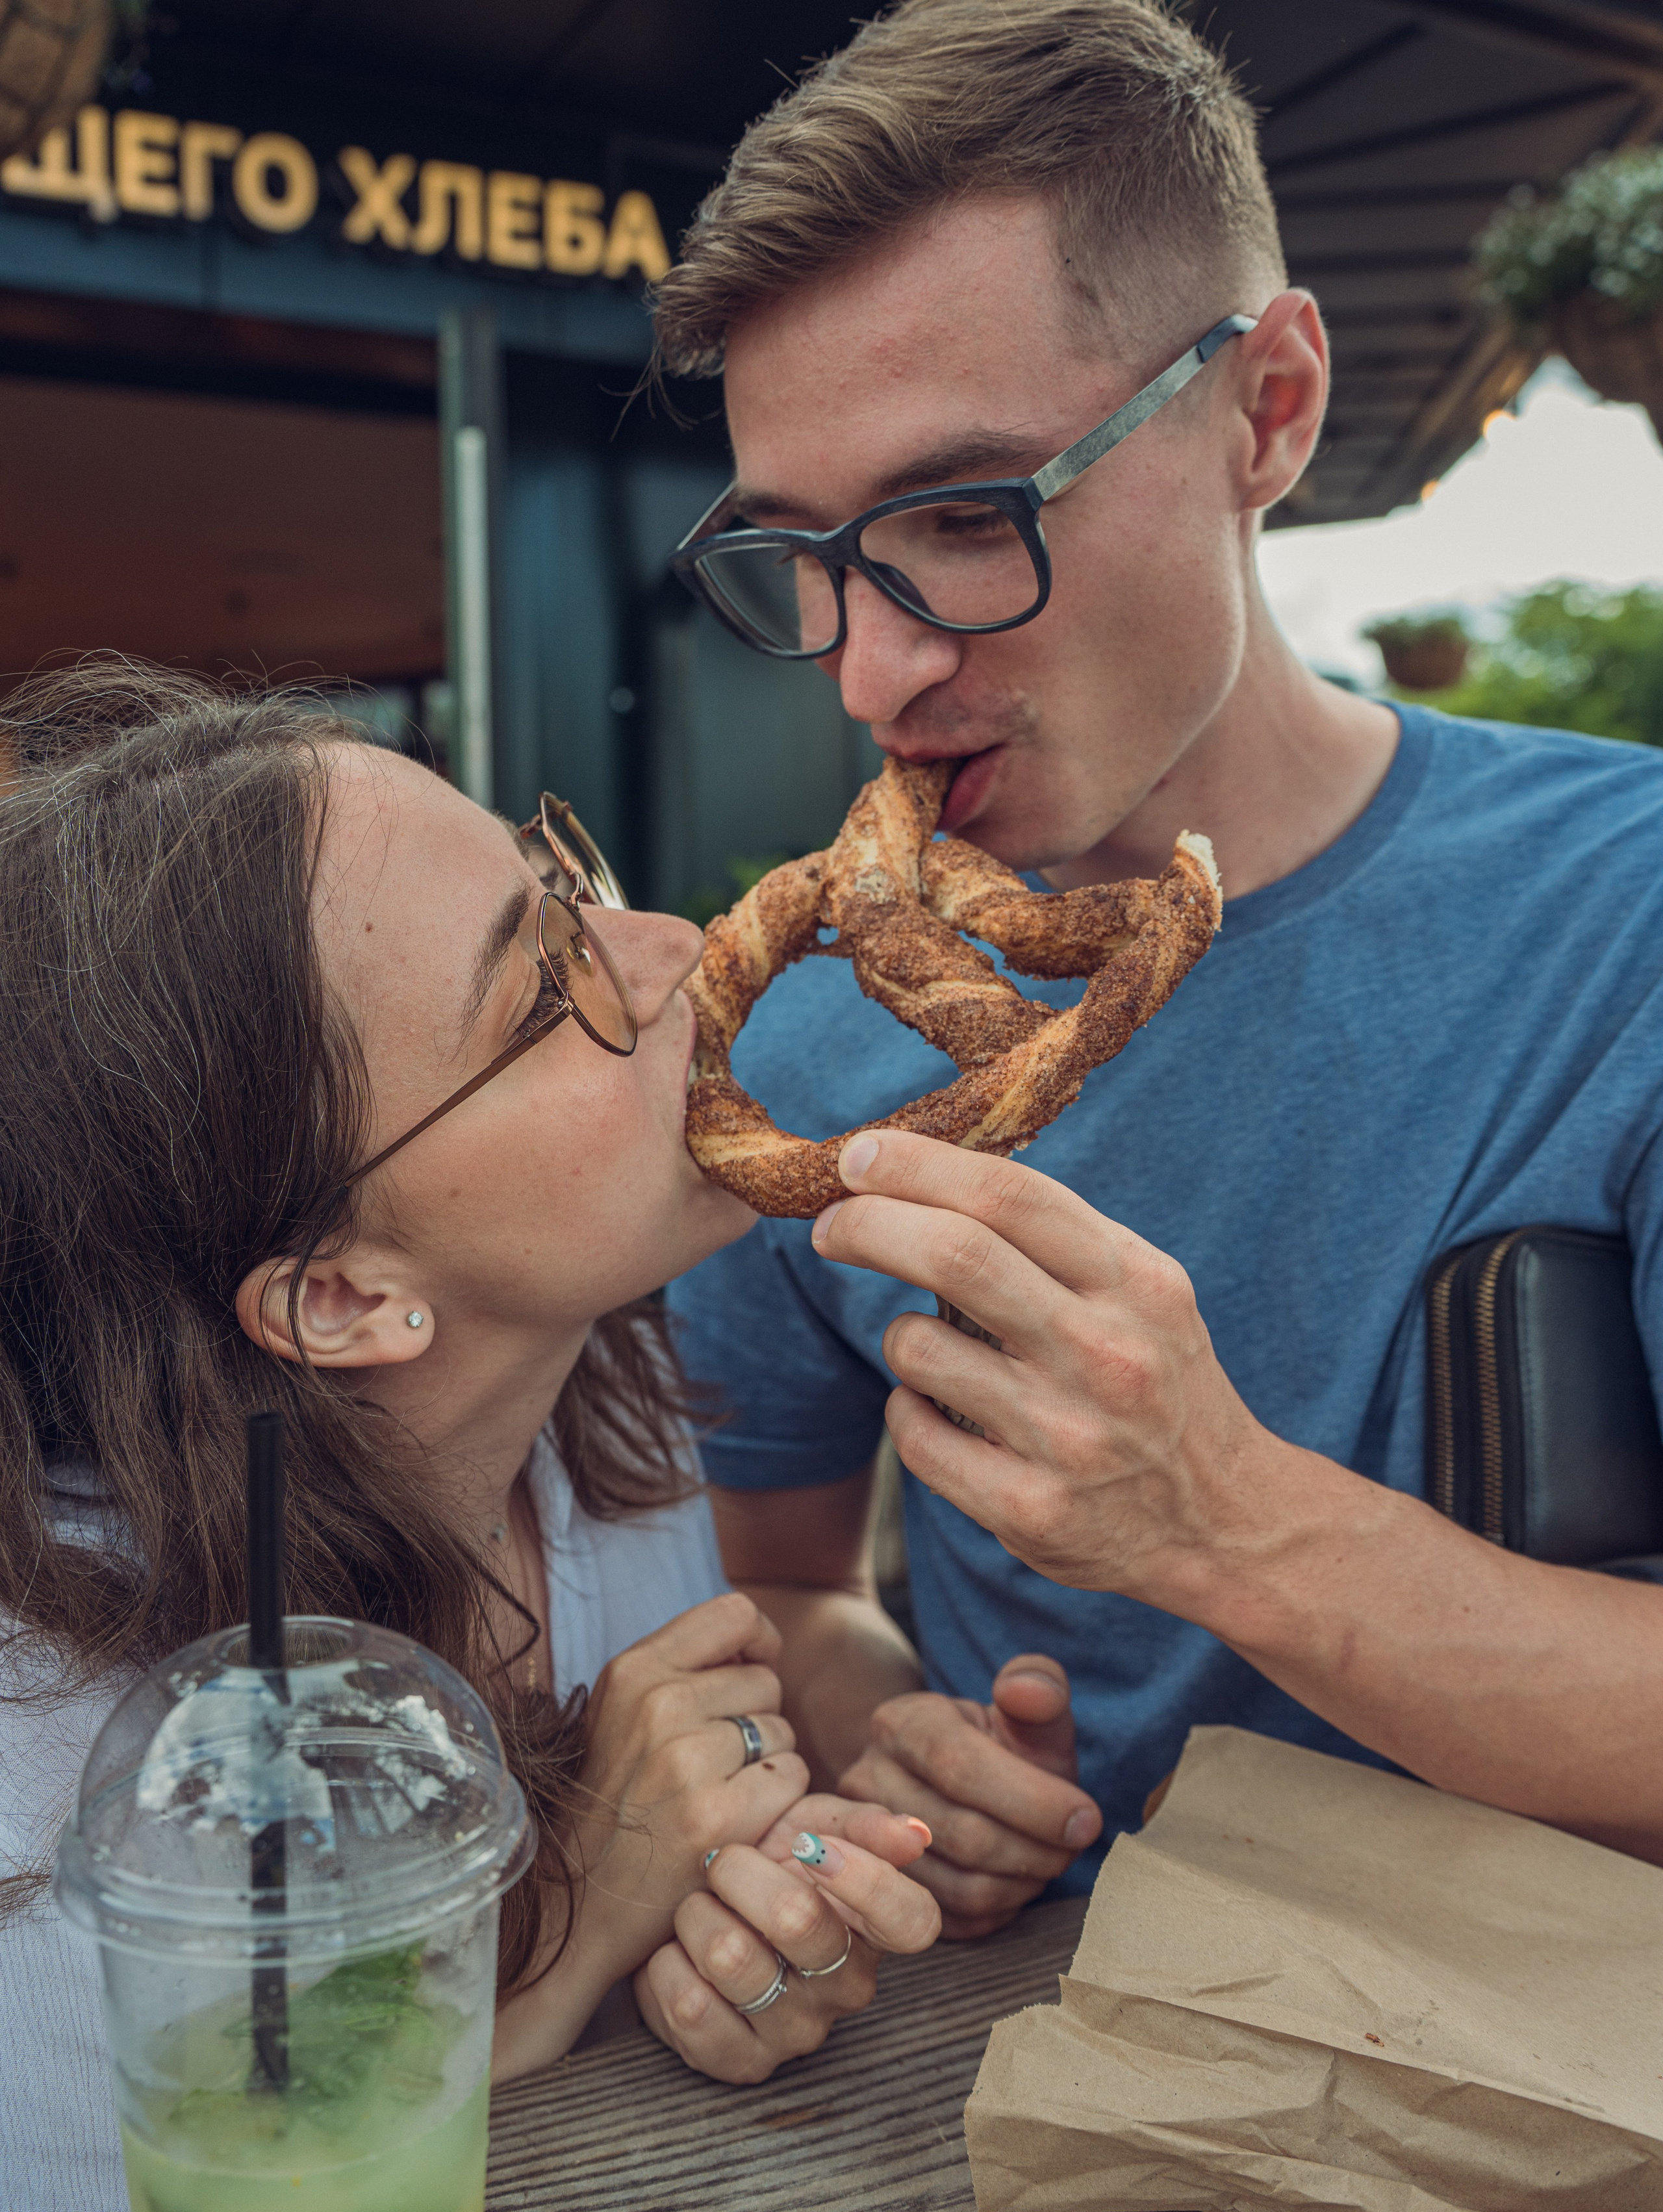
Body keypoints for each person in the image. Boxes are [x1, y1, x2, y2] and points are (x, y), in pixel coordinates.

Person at [657, 0, 1663, 1937]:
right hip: (1014, 2053)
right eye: (800, 556)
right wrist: (891, 1734)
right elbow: (782, 1585)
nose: (872, 674)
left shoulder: (1624, 918)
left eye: (968, 517)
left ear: (1264, 411)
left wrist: (1224, 1522)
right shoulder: (793, 1038)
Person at [0, 659, 939, 2212]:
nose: (677, 947)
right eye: (545, 989)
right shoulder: (69, 1772)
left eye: (563, 883)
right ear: (344, 1295)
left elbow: (689, 1909)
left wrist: (737, 1935)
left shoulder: (594, 1417)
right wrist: (579, 1940)